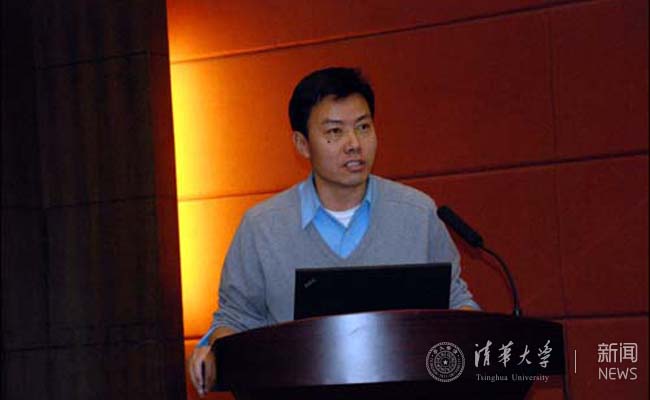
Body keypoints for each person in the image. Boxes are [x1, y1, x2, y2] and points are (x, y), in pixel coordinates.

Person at [188, 67, 480, 396]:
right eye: (334, 132)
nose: (354, 144)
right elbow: (236, 318)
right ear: (302, 144)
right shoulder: (262, 227)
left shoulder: (419, 213)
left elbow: (456, 303)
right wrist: (215, 354)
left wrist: (477, 335)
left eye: (363, 127)